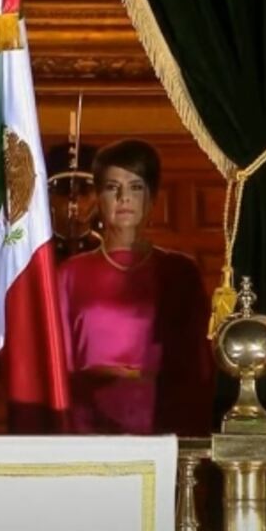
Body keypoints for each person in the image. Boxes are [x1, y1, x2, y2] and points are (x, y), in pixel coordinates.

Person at [57, 139, 214, 435]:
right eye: (112, 188)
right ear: (97, 201)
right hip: (88, 432)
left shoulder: (180, 272)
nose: (124, 198)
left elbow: (198, 369)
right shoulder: (69, 275)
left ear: (152, 198)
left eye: (135, 187)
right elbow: (58, 369)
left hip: (163, 429)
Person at [46, 142, 101, 262]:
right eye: (64, 188)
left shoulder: (111, 256)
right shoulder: (34, 254)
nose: (74, 196)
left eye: (85, 188)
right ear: (48, 196)